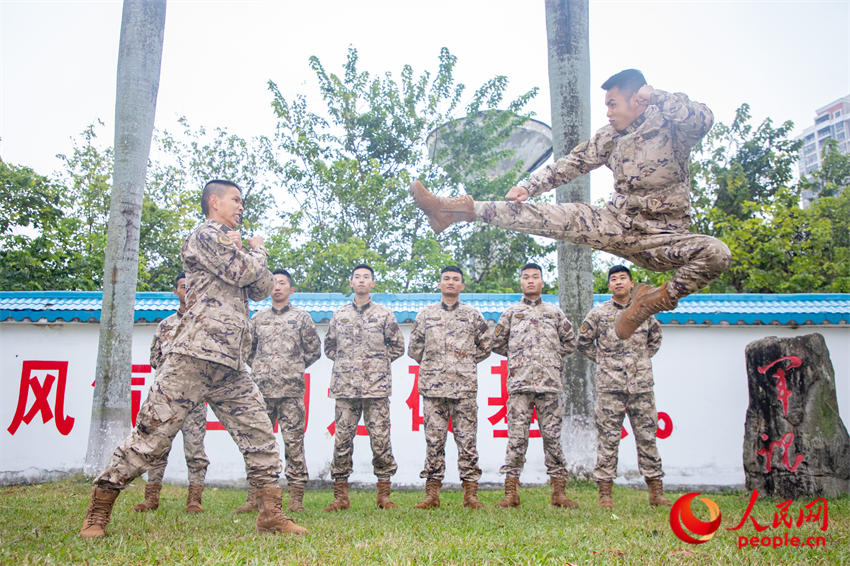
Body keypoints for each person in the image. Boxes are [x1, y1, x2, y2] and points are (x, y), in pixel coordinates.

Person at [410, 69, 731, 340]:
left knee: (718, 253)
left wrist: (657, 95)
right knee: (549, 216)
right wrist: (528, 187)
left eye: (612, 103)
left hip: (667, 239)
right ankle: (450, 211)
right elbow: (570, 164)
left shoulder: (672, 127)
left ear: (637, 100)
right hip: (617, 225)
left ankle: (652, 300)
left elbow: (703, 119)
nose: (607, 112)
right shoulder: (609, 137)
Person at [80, 179, 307, 538]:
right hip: (193, 355)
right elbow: (247, 272)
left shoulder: (231, 245)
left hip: (231, 364)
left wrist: (247, 254)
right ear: (214, 202)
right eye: (235, 200)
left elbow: (262, 288)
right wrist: (257, 251)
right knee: (152, 438)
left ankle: (270, 514)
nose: (240, 207)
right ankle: (98, 510)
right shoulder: (204, 235)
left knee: (261, 436)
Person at [577, 265, 670, 509]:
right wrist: (604, 361)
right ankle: (605, 494)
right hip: (610, 388)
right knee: (607, 440)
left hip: (641, 388)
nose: (618, 282)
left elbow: (655, 340)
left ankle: (656, 491)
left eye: (623, 278)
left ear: (631, 283)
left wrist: (638, 361)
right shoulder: (598, 314)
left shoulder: (644, 312)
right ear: (608, 286)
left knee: (647, 437)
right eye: (613, 279)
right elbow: (583, 342)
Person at [490, 263, 579, 509]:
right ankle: (511, 493)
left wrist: (549, 357)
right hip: (520, 385)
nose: (530, 281)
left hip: (549, 386)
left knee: (552, 438)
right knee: (516, 438)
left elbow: (570, 342)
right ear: (521, 282)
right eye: (526, 277)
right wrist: (519, 357)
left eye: (535, 277)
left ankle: (558, 493)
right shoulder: (511, 313)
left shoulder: (554, 313)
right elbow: (497, 342)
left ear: (542, 283)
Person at [234, 269, 321, 514]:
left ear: (291, 289)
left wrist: (292, 367)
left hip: (291, 392)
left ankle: (296, 499)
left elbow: (314, 350)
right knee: (257, 445)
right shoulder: (258, 319)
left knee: (294, 444)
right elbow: (247, 350)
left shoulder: (301, 318)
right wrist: (262, 368)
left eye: (283, 283)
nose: (277, 287)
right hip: (261, 392)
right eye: (274, 283)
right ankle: (255, 497)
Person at [407, 266, 492, 509]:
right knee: (434, 441)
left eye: (456, 279)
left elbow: (485, 346)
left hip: (464, 389)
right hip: (434, 390)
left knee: (467, 442)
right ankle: (432, 494)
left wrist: (463, 362)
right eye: (446, 279)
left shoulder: (473, 315)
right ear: (439, 284)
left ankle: (471, 495)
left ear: (462, 286)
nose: (451, 283)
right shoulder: (426, 314)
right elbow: (414, 348)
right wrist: (435, 364)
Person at [322, 264, 405, 511]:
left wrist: (375, 364)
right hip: (345, 390)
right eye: (357, 277)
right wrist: (349, 364)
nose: (361, 281)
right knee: (342, 441)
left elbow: (398, 346)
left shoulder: (384, 314)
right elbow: (329, 347)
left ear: (372, 284)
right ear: (351, 283)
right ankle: (340, 497)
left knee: (381, 440)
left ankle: (384, 495)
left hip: (376, 390)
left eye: (366, 277)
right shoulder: (340, 314)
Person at [133, 272, 210, 514]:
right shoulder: (165, 325)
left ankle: (194, 500)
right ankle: (151, 497)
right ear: (176, 291)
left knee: (195, 451)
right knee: (157, 448)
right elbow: (155, 359)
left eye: (191, 287)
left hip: (194, 401)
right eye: (182, 287)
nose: (187, 291)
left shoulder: (205, 325)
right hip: (164, 401)